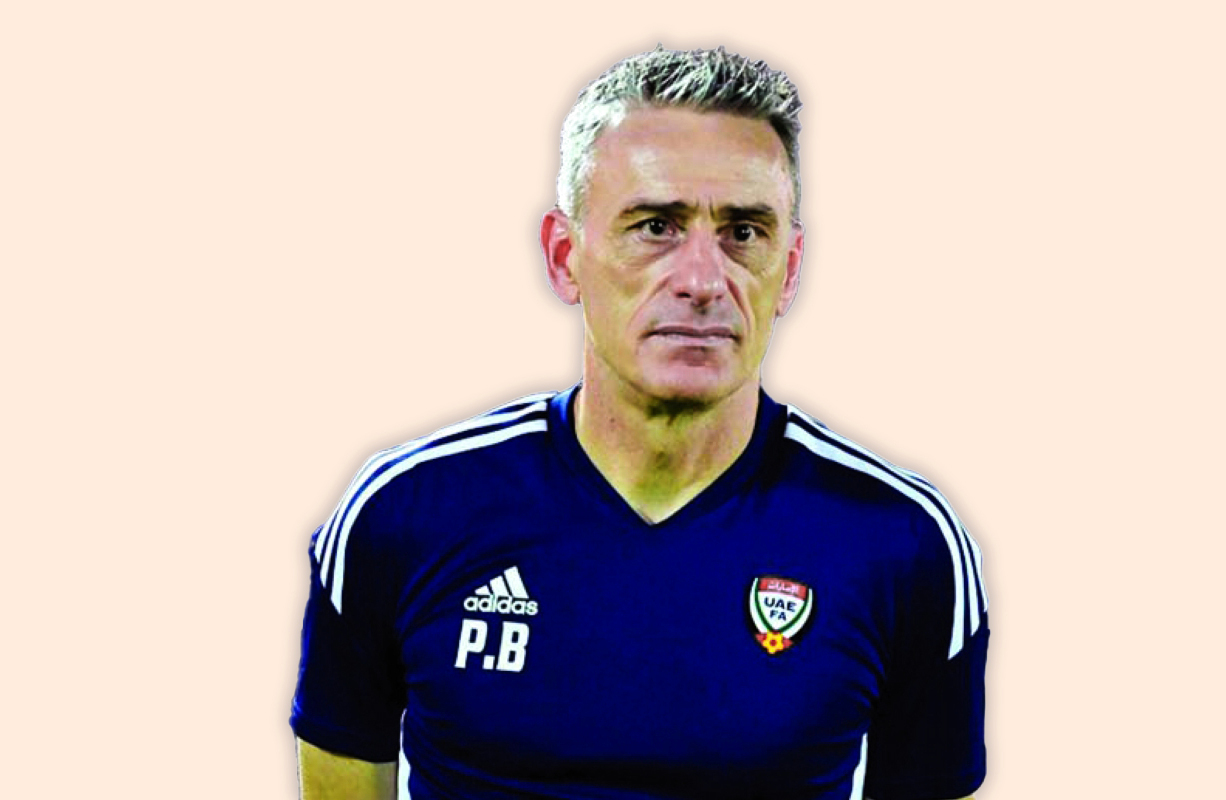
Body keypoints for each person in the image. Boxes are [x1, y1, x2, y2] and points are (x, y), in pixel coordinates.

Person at [290, 46, 988, 800]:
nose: (702, 280)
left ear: (788, 271)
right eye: (656, 226)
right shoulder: (403, 513)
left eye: (744, 232)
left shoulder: (902, 543)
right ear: (565, 257)